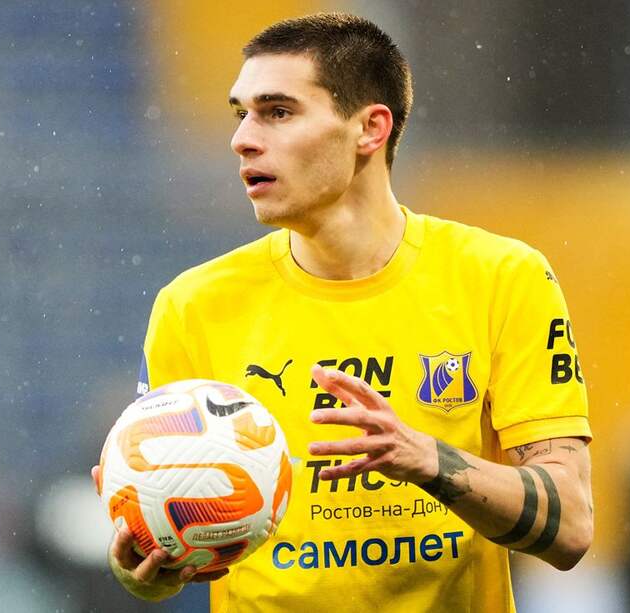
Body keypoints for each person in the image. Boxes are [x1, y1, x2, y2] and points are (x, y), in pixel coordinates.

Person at [96, 12, 593, 612]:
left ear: (370, 129)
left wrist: (425, 459)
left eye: (278, 112)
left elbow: (570, 525)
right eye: (241, 114)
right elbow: (164, 561)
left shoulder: (501, 277)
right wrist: (146, 565)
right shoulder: (193, 305)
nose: (243, 139)